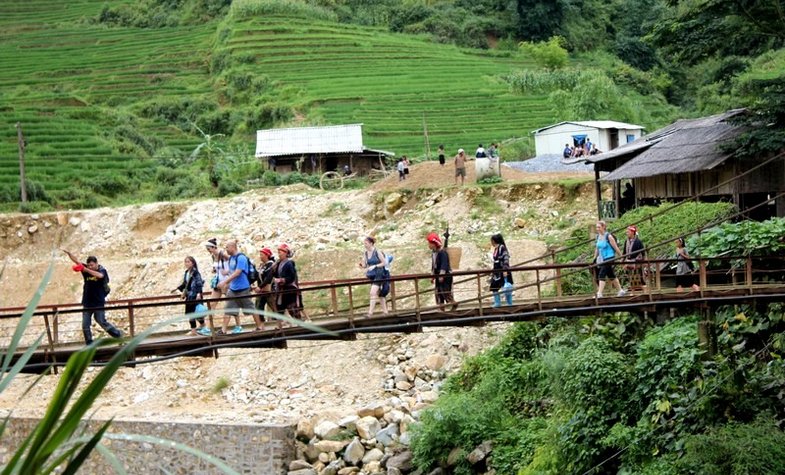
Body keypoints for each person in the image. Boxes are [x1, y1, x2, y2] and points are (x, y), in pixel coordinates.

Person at [63, 250, 123, 345]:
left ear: (96, 264)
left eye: (92, 265)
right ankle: (89, 343)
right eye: (89, 265)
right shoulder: (86, 269)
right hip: (87, 302)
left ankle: (118, 335)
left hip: (98, 302)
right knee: (85, 324)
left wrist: (86, 270)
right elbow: (76, 261)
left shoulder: (101, 270)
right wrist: (69, 254)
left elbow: (100, 276)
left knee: (101, 321)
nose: (90, 267)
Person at [217, 239, 263, 334]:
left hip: (243, 287)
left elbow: (238, 272)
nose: (226, 249)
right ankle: (223, 330)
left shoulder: (241, 258)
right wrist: (228, 284)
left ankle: (259, 326)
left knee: (250, 307)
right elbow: (231, 272)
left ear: (233, 247)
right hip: (233, 288)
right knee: (228, 308)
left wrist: (225, 282)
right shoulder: (232, 259)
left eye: (227, 247)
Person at [205, 238, 241, 332]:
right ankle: (208, 327)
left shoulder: (222, 254)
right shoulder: (213, 256)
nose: (208, 250)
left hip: (226, 283)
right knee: (212, 303)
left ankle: (238, 325)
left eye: (209, 248)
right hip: (218, 283)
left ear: (214, 247)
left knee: (231, 304)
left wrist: (227, 271)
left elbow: (233, 263)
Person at [173, 256, 207, 336]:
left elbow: (199, 283)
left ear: (193, 263)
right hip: (190, 295)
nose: (187, 264)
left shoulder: (195, 273)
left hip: (194, 295)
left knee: (191, 312)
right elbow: (185, 284)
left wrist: (198, 293)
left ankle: (193, 330)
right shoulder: (186, 272)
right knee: (194, 312)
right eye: (186, 262)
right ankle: (202, 325)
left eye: (188, 262)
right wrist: (178, 289)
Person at [593, 220, 626, 298]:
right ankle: (620, 290)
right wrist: (594, 258)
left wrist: (621, 256)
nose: (597, 229)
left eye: (599, 227)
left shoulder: (609, 236)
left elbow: (615, 247)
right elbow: (597, 248)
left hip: (610, 257)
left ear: (603, 227)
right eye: (596, 227)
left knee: (602, 274)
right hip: (602, 258)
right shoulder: (598, 236)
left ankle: (599, 293)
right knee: (611, 274)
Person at [274, 243, 306, 320]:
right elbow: (276, 274)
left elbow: (292, 276)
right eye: (278, 252)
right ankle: (281, 325)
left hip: (290, 289)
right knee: (280, 307)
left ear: (285, 253)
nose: (279, 254)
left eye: (280, 252)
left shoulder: (289, 263)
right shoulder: (279, 264)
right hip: (282, 289)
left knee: (292, 307)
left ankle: (298, 323)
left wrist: (283, 280)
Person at [359, 236, 389, 317]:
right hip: (372, 275)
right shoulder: (365, 253)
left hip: (379, 273)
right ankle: (385, 312)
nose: (365, 245)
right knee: (379, 293)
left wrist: (375, 266)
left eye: (366, 243)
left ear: (371, 243)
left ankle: (370, 313)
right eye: (364, 243)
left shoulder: (377, 252)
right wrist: (362, 264)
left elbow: (384, 262)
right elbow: (365, 265)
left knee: (372, 292)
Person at [427, 232, 457, 311]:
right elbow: (433, 265)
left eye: (430, 243)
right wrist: (433, 276)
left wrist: (442, 275)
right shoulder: (434, 253)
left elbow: (444, 264)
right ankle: (441, 308)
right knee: (438, 292)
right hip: (438, 275)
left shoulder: (442, 252)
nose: (428, 245)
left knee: (445, 292)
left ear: (434, 243)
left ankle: (453, 304)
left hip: (445, 276)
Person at [489, 234, 514, 307]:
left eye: (492, 241)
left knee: (506, 287)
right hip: (496, 271)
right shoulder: (496, 248)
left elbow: (506, 258)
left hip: (502, 270)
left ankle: (509, 303)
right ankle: (497, 303)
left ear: (494, 241)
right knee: (494, 286)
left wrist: (505, 269)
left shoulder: (502, 247)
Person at [254, 247, 277, 320]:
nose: (260, 256)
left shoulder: (271, 265)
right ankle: (261, 325)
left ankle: (282, 323)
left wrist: (260, 287)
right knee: (258, 308)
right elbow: (257, 276)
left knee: (274, 307)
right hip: (262, 291)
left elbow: (269, 278)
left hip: (270, 290)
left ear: (267, 255)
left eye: (261, 254)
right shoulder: (262, 265)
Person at [621, 225, 647, 291]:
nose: (627, 233)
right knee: (630, 277)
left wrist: (644, 261)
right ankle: (632, 290)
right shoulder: (626, 241)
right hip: (628, 260)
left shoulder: (638, 241)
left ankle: (645, 290)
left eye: (628, 232)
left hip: (637, 261)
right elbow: (624, 252)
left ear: (632, 232)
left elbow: (643, 252)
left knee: (640, 277)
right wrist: (622, 261)